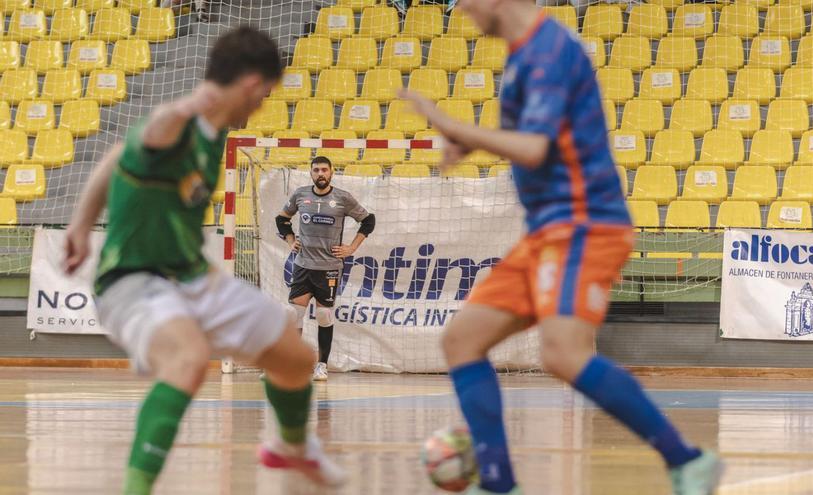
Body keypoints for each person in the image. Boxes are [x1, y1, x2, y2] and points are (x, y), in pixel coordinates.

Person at [400, 1, 722, 494]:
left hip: (585, 224)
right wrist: (471, 144)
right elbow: (532, 139)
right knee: (462, 340)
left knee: (563, 354)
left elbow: (535, 148)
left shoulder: (548, 51)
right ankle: (499, 484)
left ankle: (687, 460)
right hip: (546, 232)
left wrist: (455, 127)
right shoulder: (521, 55)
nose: (460, 9)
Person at [63, 27, 346, 494]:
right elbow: (148, 134)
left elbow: (116, 157)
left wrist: (78, 224)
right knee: (188, 358)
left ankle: (291, 449)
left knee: (295, 357)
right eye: (265, 95)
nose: (261, 107)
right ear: (252, 86)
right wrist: (188, 108)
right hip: (133, 281)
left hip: (191, 275)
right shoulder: (173, 125)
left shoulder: (214, 133)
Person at [275, 156, 376, 381]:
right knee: (293, 314)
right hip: (303, 265)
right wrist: (291, 241)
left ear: (331, 172)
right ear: (311, 173)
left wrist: (351, 248)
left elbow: (369, 221)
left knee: (323, 315)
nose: (320, 173)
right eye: (316, 170)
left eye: (324, 170)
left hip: (329, 268)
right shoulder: (301, 195)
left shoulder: (343, 198)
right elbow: (281, 220)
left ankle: (321, 365)